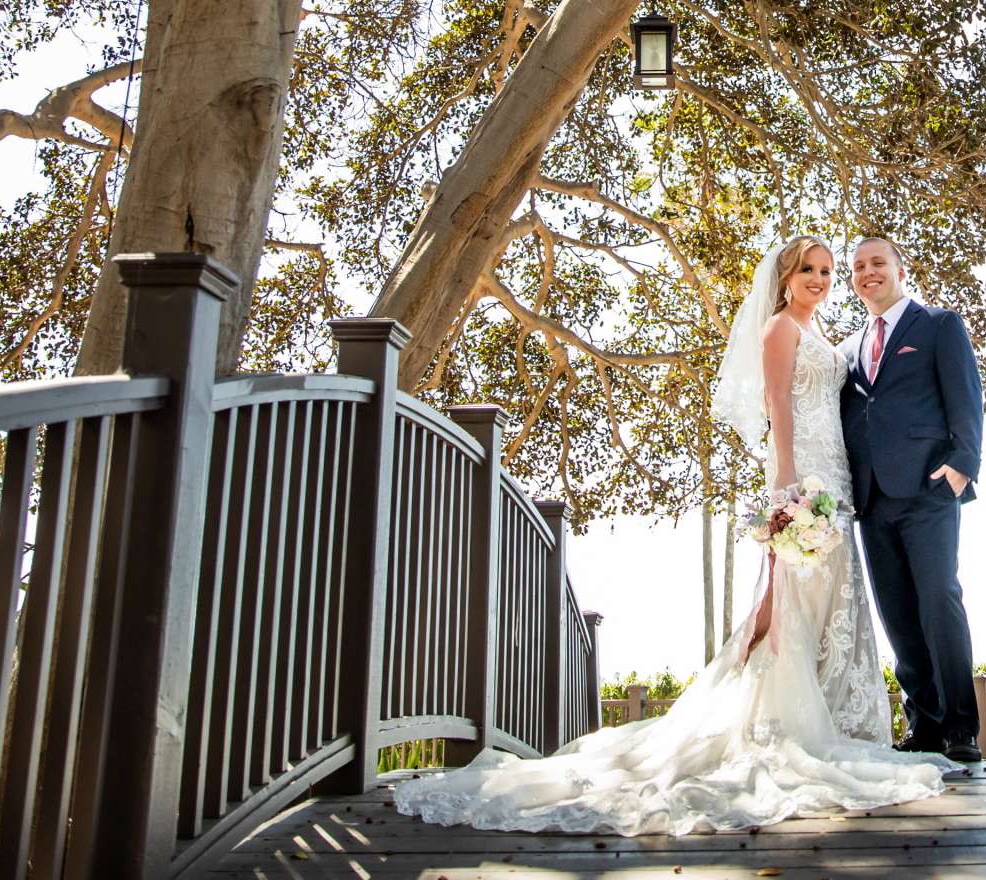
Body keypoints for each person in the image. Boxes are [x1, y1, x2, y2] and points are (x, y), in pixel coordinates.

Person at [390, 237, 948, 836]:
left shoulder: (820, 335)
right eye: (807, 270)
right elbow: (777, 406)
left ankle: (828, 719)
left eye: (826, 271)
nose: (819, 278)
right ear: (785, 278)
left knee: (822, 598)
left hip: (835, 475)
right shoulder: (780, 329)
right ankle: (777, 721)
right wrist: (787, 482)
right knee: (789, 596)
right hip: (803, 472)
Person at [838, 235, 985, 762]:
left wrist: (962, 466)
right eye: (858, 267)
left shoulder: (939, 325)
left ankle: (960, 729)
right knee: (897, 614)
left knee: (939, 602)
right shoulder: (850, 347)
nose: (867, 272)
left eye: (878, 262)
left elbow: (966, 396)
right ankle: (923, 725)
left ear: (899, 270)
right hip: (871, 497)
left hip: (928, 487)